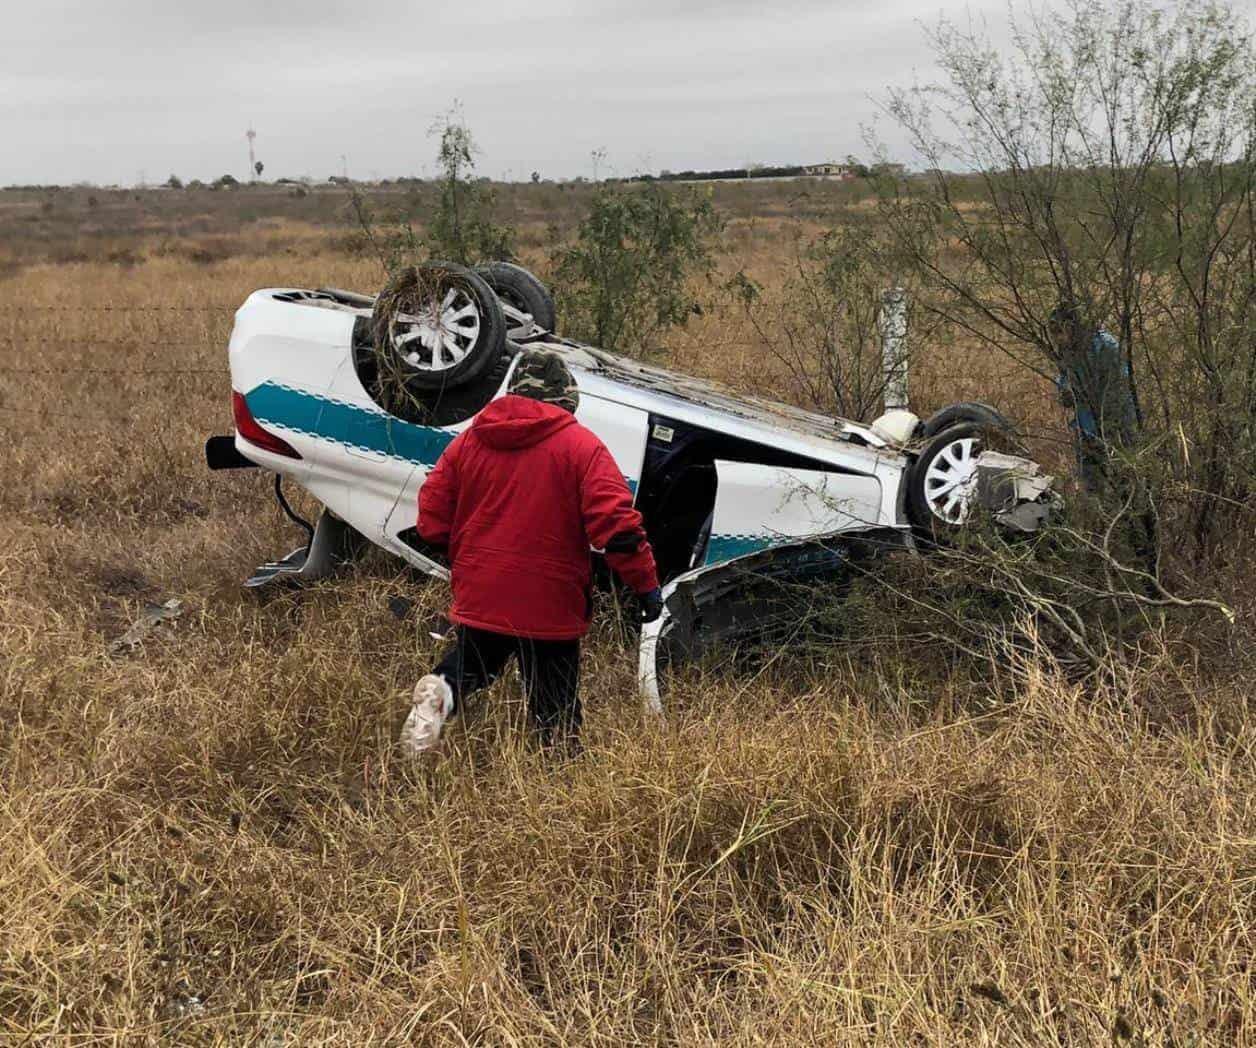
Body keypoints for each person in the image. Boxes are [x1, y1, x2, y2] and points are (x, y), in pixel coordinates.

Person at [399, 350, 663, 756]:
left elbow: (431, 516)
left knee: (475, 662)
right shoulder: (582, 448)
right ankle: (557, 779)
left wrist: (466, 557)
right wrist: (645, 586)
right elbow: (619, 530)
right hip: (549, 603)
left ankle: (443, 690)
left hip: (482, 590)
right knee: (554, 704)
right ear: (565, 397)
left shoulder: (469, 440)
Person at [1049, 303, 1139, 494]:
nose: (1057, 337)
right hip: (1085, 425)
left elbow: (1119, 386)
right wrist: (1065, 391)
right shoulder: (1065, 350)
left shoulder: (1104, 345)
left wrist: (1088, 395)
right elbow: (1064, 376)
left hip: (1114, 423)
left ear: (1071, 327)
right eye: (1053, 331)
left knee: (1123, 477)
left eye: (1060, 330)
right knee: (1091, 482)